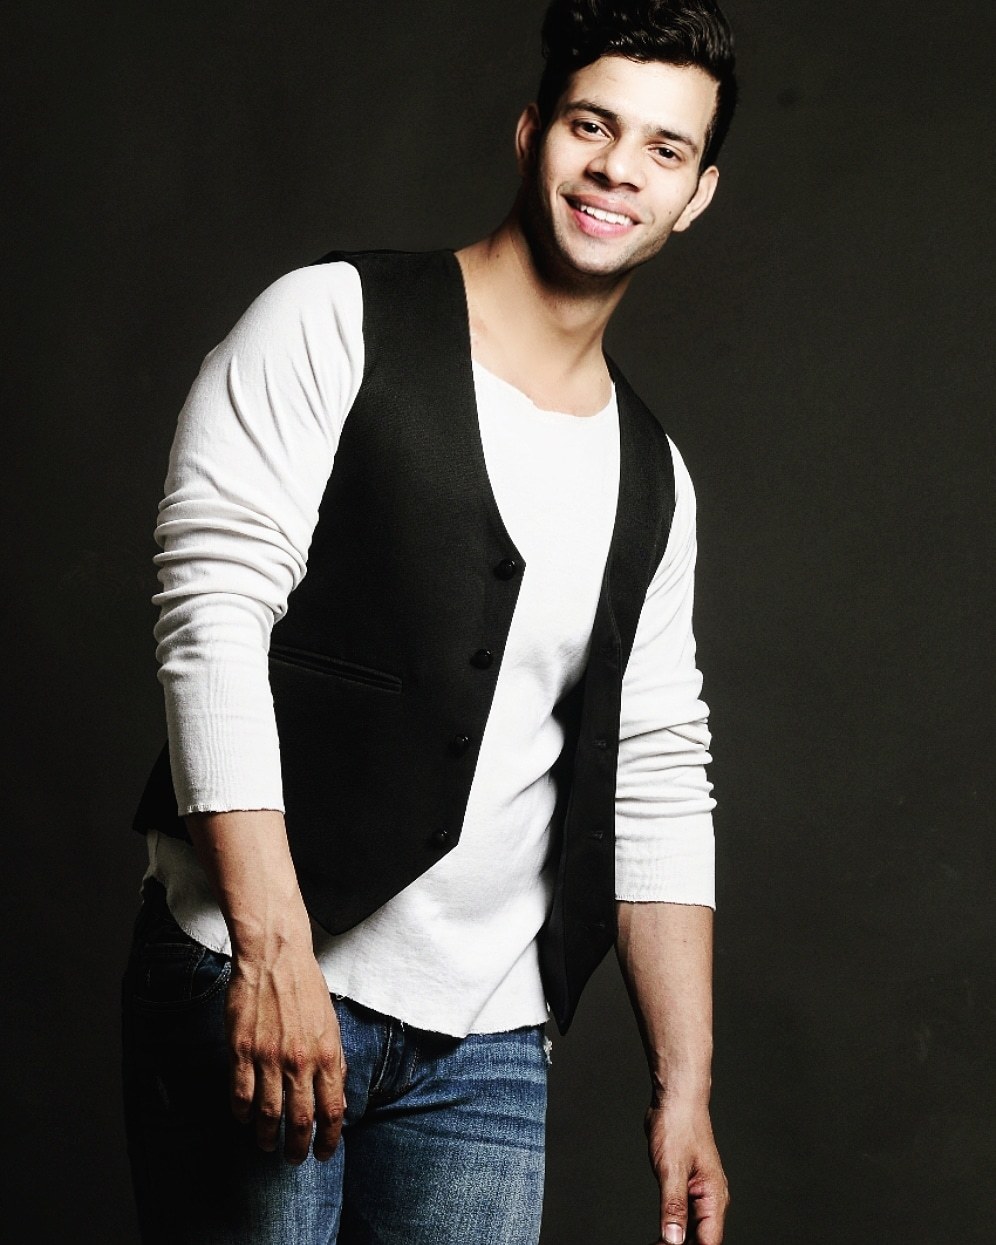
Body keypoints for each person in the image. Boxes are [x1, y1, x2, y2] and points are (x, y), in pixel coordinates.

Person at [122, 2, 738, 1242]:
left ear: (696, 195)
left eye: (664, 148)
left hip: (489, 1047)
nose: (619, 168)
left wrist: (685, 1086)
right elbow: (212, 617)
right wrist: (271, 951)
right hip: (264, 969)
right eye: (592, 125)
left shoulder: (654, 478)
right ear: (531, 133)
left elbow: (659, 773)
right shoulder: (330, 319)